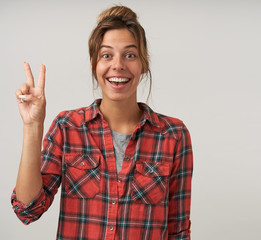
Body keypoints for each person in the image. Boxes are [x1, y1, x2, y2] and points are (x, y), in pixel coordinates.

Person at [11, 5, 193, 240]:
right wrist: (32, 126)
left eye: (130, 55)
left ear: (143, 64)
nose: (118, 65)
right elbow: (27, 210)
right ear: (93, 64)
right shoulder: (67, 127)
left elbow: (178, 231)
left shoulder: (173, 135)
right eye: (107, 55)